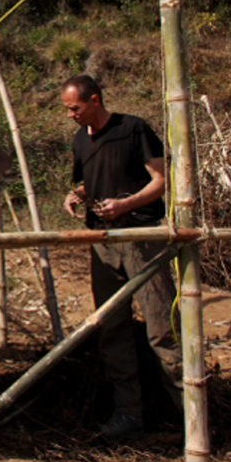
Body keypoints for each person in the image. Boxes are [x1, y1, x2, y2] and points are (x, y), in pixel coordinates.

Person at [61, 73, 183, 442]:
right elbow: (93, 178)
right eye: (67, 109)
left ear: (94, 100)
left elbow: (160, 180)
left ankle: (189, 416)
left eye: (75, 108)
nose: (71, 115)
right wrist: (77, 194)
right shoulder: (80, 140)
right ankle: (128, 413)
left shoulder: (133, 129)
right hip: (102, 241)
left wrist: (126, 203)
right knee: (112, 328)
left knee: (162, 327)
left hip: (140, 237)